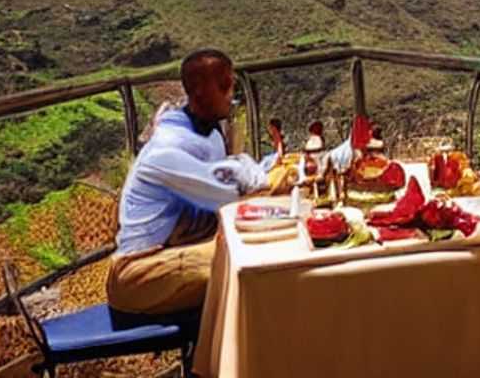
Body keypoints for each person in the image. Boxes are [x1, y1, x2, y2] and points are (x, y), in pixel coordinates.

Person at [107, 47, 350, 314]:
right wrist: (293, 172)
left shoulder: (206, 132)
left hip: (175, 251)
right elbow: (236, 190)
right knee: (247, 261)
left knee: (260, 248)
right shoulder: (170, 147)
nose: (231, 94)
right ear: (198, 91)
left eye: (231, 86)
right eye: (223, 86)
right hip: (138, 273)